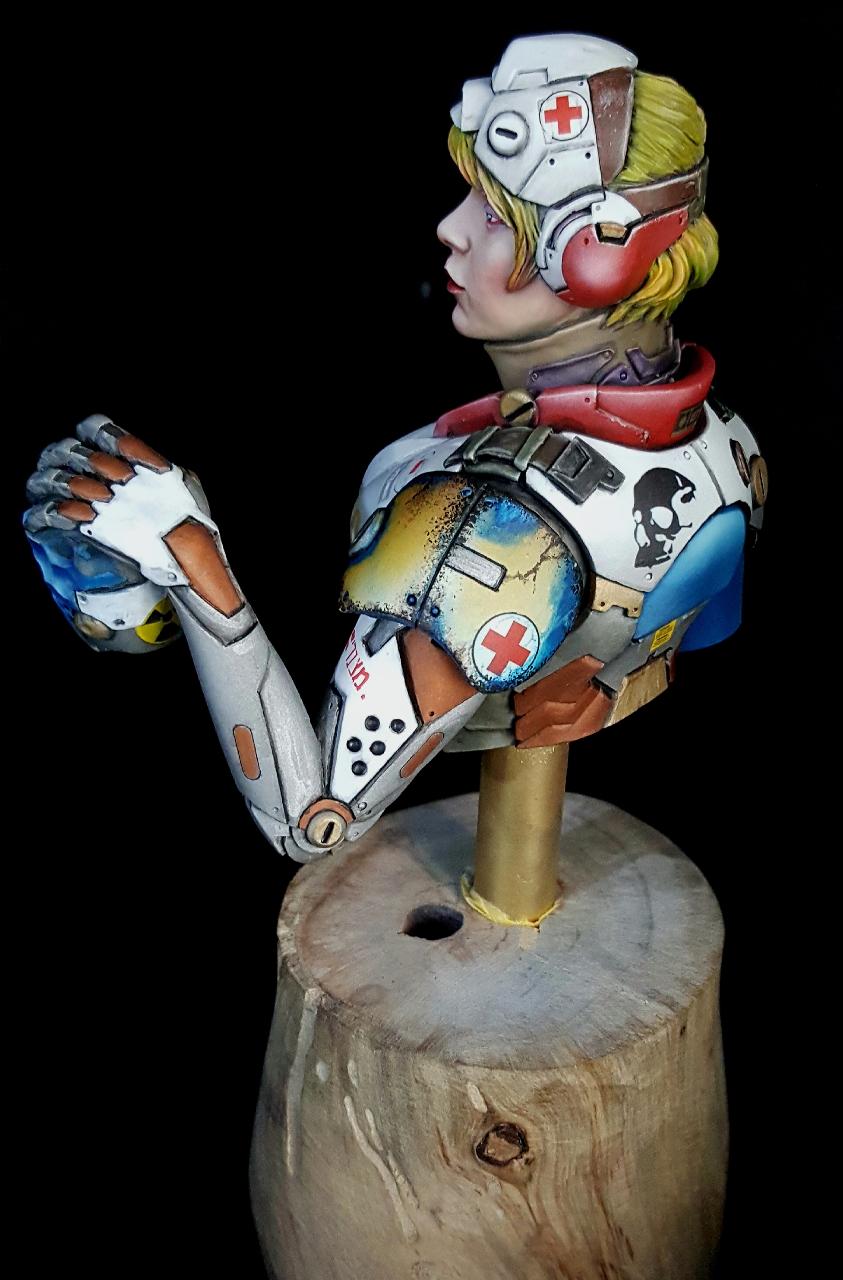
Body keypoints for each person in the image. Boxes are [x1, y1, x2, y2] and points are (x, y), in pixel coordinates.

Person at [22, 33, 765, 863]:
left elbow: (310, 823)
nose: (450, 230)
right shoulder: (728, 440)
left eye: (495, 215)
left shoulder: (491, 530)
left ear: (591, 257)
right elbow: (700, 628)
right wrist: (602, 676)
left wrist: (190, 560)